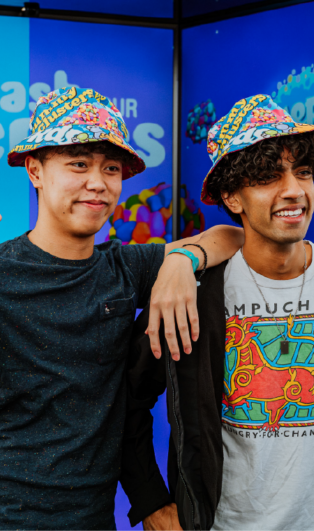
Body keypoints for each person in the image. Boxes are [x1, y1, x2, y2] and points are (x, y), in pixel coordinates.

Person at [121, 94, 314, 531]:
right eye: (267, 177)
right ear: (232, 196)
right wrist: (150, 500)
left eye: (302, 172)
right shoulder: (195, 292)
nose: (293, 190)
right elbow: (129, 397)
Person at [0, 87, 243, 529]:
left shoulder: (124, 267)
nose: (98, 182)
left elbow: (232, 236)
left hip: (95, 516)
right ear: (35, 170)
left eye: (110, 168)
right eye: (78, 163)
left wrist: (180, 261)